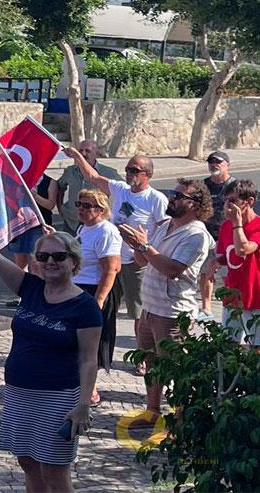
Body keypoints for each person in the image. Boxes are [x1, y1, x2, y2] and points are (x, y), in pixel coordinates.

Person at [0, 195, 101, 493]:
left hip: (59, 397)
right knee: (28, 465)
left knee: (54, 473)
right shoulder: (30, 287)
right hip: (20, 393)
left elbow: (89, 359)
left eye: (58, 257)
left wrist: (83, 405)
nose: (49, 262)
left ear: (74, 262)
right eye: (44, 257)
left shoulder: (84, 306)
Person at [65, 148, 168, 376]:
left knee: (138, 313)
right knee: (108, 310)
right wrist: (77, 156)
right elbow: (92, 177)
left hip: (135, 262)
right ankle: (100, 356)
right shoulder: (121, 189)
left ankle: (142, 356)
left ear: (147, 174)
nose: (128, 173)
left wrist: (151, 253)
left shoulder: (156, 199)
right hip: (110, 259)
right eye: (127, 169)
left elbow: (165, 229)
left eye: (134, 170)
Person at [119, 178, 213, 427]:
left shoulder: (196, 234)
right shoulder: (166, 226)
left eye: (179, 196)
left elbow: (172, 269)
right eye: (173, 193)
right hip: (150, 307)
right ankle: (152, 411)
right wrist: (137, 246)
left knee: (174, 368)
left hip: (172, 311)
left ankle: (181, 420)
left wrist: (145, 246)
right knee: (150, 361)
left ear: (195, 205)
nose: (172, 198)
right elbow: (143, 261)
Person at [72, 190, 122, 406]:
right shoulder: (83, 228)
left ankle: (90, 388)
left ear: (101, 210)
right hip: (78, 288)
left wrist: (99, 299)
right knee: (75, 341)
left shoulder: (106, 231)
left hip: (94, 289)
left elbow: (111, 268)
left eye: (87, 205)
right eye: (79, 204)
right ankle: (78, 384)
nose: (81, 209)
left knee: (90, 343)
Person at [217, 180, 260, 355]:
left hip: (255, 296)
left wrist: (237, 224)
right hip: (232, 295)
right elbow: (229, 255)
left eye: (232, 200)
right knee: (229, 344)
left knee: (256, 346)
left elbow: (243, 249)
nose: (227, 205)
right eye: (226, 200)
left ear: (249, 202)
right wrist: (215, 263)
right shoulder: (226, 227)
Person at [57, 140, 122, 237]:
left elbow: (124, 191)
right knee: (70, 251)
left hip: (96, 222)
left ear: (97, 154)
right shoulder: (70, 171)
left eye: (87, 151)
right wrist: (61, 208)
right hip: (72, 223)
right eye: (81, 151)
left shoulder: (109, 173)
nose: (83, 154)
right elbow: (59, 187)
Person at [199, 151, 236, 320]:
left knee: (228, 274)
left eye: (218, 162)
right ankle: (206, 308)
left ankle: (230, 306)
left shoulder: (234, 186)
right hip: (205, 235)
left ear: (227, 164)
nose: (214, 165)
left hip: (226, 236)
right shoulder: (203, 185)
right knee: (206, 272)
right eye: (211, 162)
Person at [8, 174, 58, 273]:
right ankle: (24, 286)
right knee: (20, 263)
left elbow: (50, 205)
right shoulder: (17, 180)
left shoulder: (50, 182)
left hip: (39, 227)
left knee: (37, 263)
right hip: (19, 225)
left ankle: (38, 285)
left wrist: (35, 196)